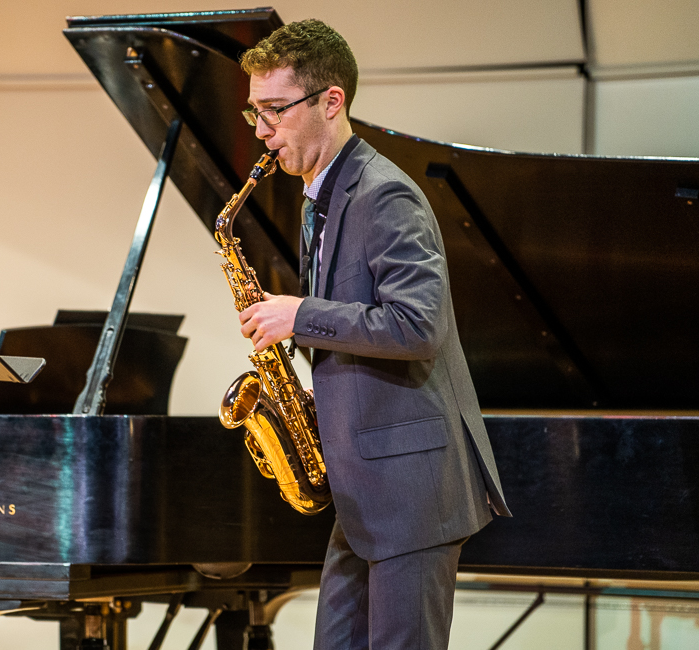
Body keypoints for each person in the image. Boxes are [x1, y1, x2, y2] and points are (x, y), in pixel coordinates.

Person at [236, 20, 511, 650]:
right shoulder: (320, 197)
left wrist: (300, 315)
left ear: (331, 102)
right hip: (365, 490)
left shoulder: (386, 195)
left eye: (275, 110)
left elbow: (419, 326)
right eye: (254, 112)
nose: (261, 131)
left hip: (409, 494)